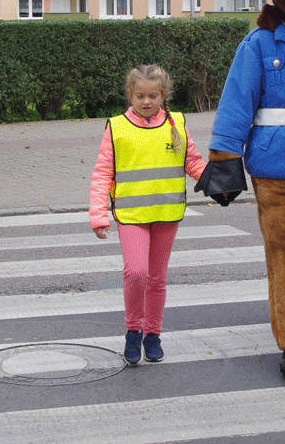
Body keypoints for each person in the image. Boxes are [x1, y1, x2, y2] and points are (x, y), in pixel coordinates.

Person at [89, 65, 208, 365]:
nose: (146, 102)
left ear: (163, 95)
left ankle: (152, 335)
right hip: (131, 214)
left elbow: (192, 162)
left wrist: (216, 184)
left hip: (166, 212)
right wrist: (99, 213)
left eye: (152, 96)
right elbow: (103, 172)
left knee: (157, 279)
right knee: (137, 273)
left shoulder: (176, 123)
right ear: (130, 95)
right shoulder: (117, 127)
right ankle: (133, 330)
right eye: (139, 95)